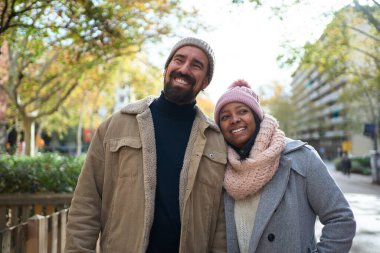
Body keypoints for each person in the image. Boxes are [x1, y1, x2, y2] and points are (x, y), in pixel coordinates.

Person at [65, 37, 227, 252]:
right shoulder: (116, 126)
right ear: (167, 68)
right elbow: (86, 204)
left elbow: (221, 224)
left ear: (205, 81)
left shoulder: (217, 141)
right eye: (179, 60)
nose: (184, 69)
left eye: (196, 65)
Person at [213, 79, 356, 253]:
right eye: (225, 116)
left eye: (242, 111)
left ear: (257, 117)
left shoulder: (301, 157)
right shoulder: (220, 167)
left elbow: (341, 219)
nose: (234, 119)